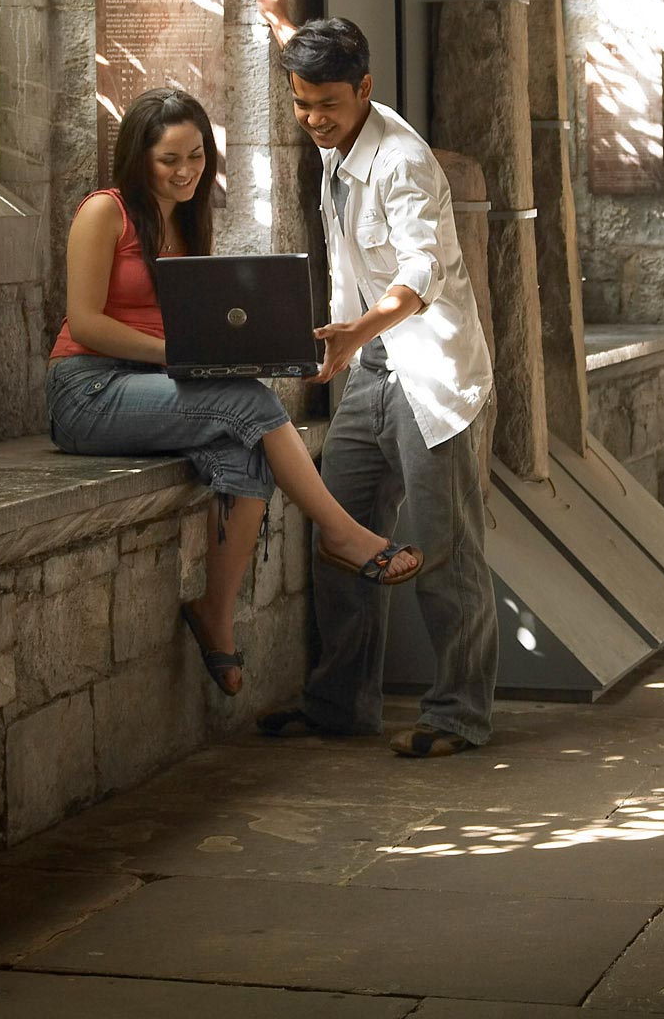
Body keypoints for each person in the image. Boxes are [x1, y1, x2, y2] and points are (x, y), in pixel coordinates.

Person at [48, 85, 422, 699]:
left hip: (152, 385)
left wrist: (248, 347)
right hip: (87, 391)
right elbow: (85, 323)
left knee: (246, 454)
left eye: (196, 156)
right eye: (169, 160)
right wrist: (183, 357)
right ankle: (341, 533)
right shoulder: (104, 212)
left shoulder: (189, 220)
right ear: (138, 158)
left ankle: (214, 613)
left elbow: (198, 320)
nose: (185, 171)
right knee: (247, 402)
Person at [257, 18, 499, 758]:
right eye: (300, 105)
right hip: (373, 369)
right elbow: (305, 53)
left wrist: (356, 332)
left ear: (365, 88)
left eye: (326, 103)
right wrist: (277, 15)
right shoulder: (332, 117)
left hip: (434, 374)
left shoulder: (402, 163)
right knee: (344, 533)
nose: (313, 119)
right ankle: (341, 704)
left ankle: (459, 715)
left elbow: (418, 274)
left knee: (445, 551)